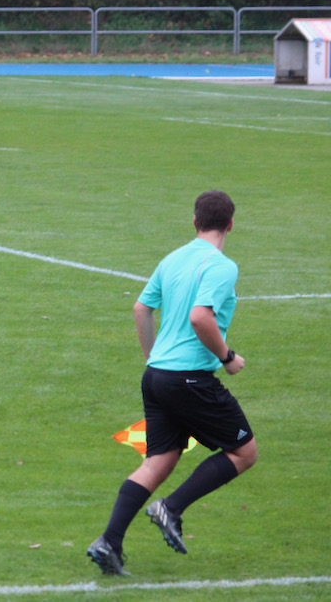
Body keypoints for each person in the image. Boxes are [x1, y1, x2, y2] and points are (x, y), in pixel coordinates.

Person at [87, 190, 257, 576]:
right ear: (230, 224)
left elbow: (141, 308)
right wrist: (227, 357)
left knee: (160, 460)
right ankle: (171, 508)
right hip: (190, 378)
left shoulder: (173, 258)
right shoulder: (221, 266)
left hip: (157, 376)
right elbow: (200, 317)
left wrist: (154, 359)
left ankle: (109, 542)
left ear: (195, 222)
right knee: (244, 452)